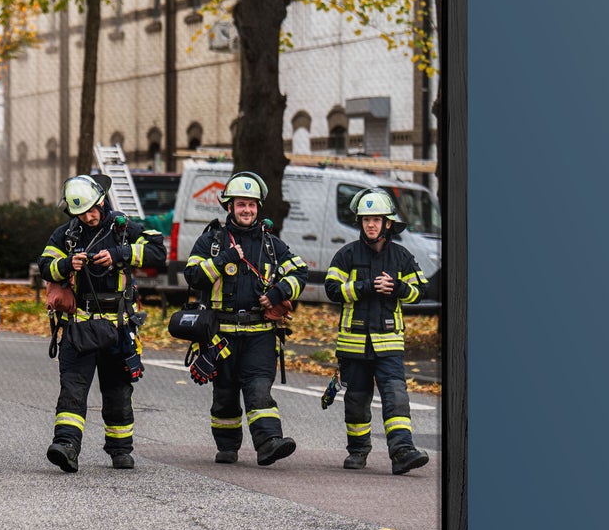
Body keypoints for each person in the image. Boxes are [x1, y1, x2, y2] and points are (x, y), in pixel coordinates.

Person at [182, 171, 307, 466]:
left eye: (251, 205)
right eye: (241, 204)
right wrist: (223, 260)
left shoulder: (271, 245)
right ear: (230, 207)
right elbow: (193, 276)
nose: (247, 210)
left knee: (259, 387)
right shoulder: (211, 241)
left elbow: (300, 272)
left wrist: (277, 293)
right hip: (220, 335)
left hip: (260, 334)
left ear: (258, 208)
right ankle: (227, 446)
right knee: (225, 394)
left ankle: (269, 443)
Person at [36, 175, 159, 473]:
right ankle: (66, 446)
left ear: (102, 201)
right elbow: (45, 266)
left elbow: (157, 252)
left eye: (92, 210)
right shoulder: (66, 235)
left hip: (117, 327)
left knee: (118, 391)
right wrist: (67, 264)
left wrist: (120, 254)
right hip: (78, 327)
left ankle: (120, 449)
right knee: (72, 390)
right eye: (81, 213)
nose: (89, 217)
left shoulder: (123, 229)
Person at [324, 188, 430, 474]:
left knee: (396, 396)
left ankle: (402, 451)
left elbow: (420, 291)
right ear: (360, 222)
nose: (370, 224)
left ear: (387, 223)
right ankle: (358, 451)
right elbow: (332, 289)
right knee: (356, 400)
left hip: (388, 343)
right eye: (366, 219)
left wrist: (398, 288)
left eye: (376, 219)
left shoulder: (402, 257)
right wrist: (365, 286)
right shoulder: (346, 255)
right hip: (354, 343)